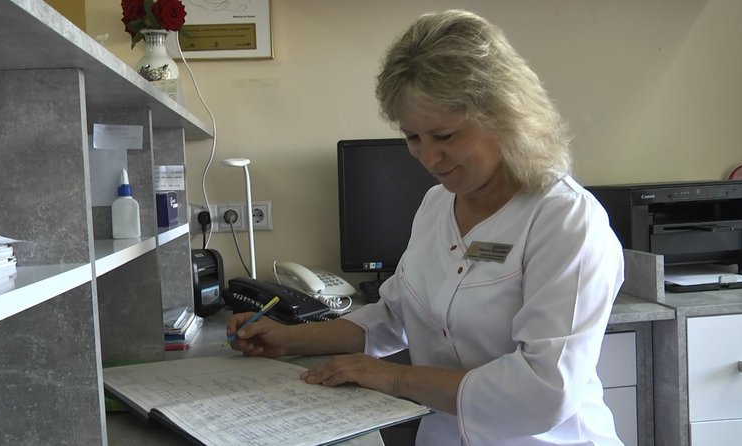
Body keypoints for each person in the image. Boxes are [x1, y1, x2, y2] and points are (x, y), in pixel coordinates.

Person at [228, 9, 624, 446]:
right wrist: (288, 340)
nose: (428, 158)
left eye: (446, 136)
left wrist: (396, 378)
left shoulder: (565, 220)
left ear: (504, 115)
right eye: (413, 138)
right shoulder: (437, 205)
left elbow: (544, 393)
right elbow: (393, 316)